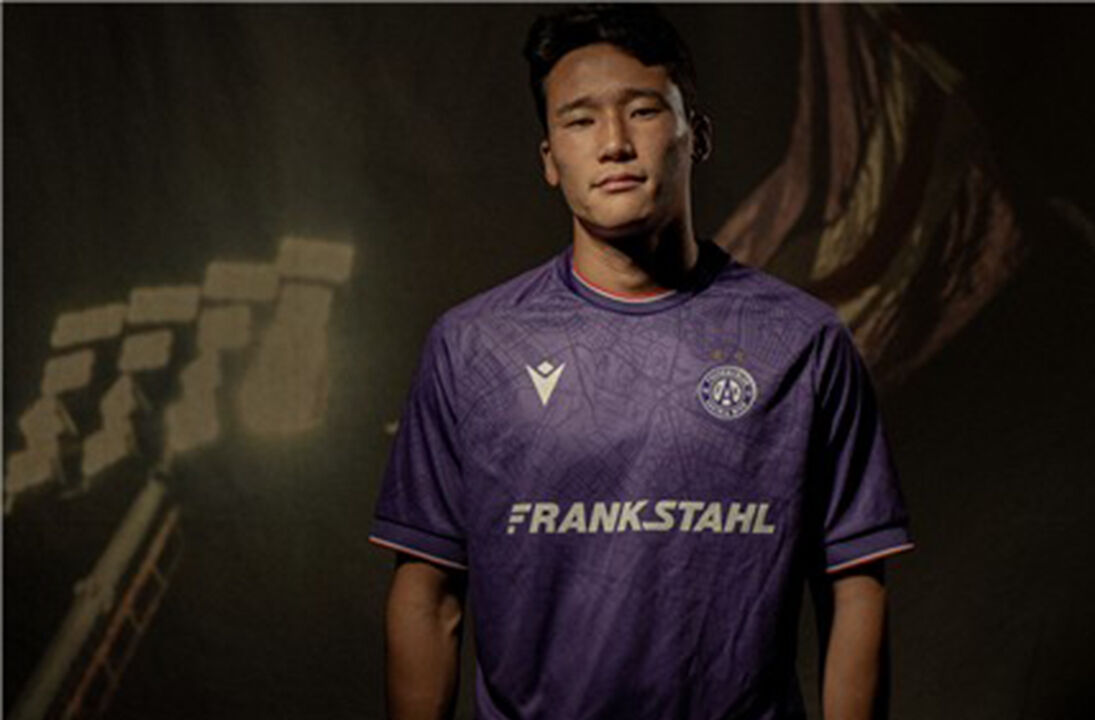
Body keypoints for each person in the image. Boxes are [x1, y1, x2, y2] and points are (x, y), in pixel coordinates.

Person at [369, 5, 914, 719]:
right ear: (549, 160)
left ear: (697, 135)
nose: (615, 144)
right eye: (581, 120)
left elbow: (853, 585)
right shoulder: (473, 345)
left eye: (644, 111)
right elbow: (429, 593)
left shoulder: (804, 341)